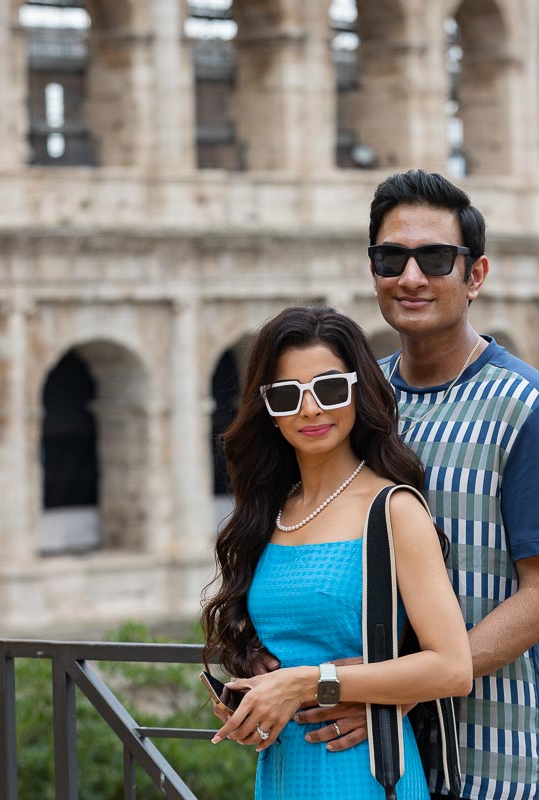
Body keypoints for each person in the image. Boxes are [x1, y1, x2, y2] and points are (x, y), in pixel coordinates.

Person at [295, 170, 539, 800]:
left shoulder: (528, 408)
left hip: (488, 757)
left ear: (475, 275)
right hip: (362, 757)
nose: (411, 277)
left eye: (435, 258)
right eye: (390, 257)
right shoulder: (354, 397)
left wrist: (403, 685)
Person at [201, 306, 473, 800]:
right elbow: (288, 652)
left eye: (328, 389)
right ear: (268, 408)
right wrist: (255, 696)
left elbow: (452, 668)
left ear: (358, 391)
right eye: (288, 395)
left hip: (365, 773)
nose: (309, 410)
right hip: (283, 771)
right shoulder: (270, 512)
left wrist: (311, 683)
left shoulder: (392, 508)